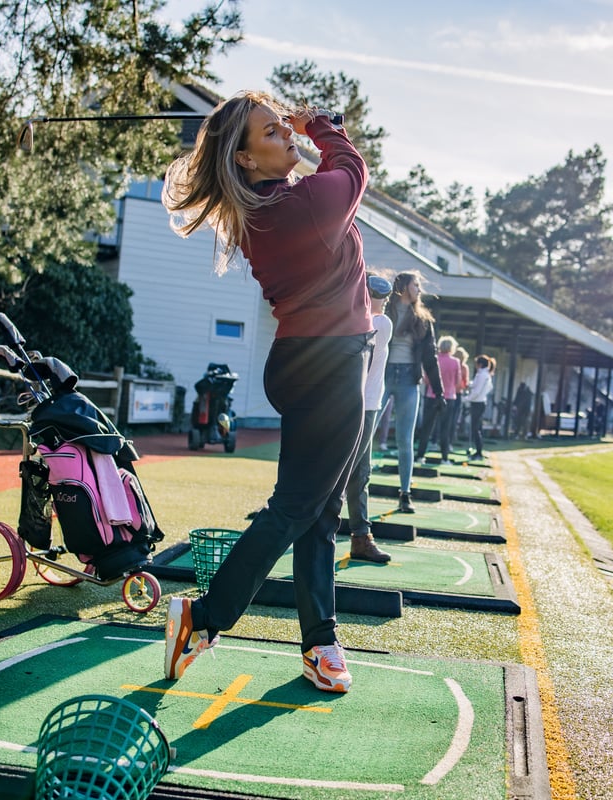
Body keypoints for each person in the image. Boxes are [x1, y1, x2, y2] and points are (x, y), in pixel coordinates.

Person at [161, 91, 372, 693]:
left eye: (283, 130)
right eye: (271, 134)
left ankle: (319, 642)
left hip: (306, 362)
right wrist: (320, 127)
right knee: (300, 508)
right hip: (330, 366)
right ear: (246, 159)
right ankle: (203, 618)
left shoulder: (270, 206)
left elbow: (329, 179)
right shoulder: (300, 206)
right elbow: (351, 171)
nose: (286, 138)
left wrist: (292, 130)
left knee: (317, 509)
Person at [379, 272, 443, 513]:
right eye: (415, 284)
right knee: (365, 433)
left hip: (408, 379)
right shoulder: (385, 309)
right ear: (404, 286)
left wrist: (439, 391)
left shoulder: (423, 319)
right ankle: (345, 489)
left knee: (405, 440)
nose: (419, 288)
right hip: (383, 376)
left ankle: (405, 494)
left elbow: (431, 356)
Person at [342, 273, 395, 564]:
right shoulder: (381, 323)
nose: (385, 300)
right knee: (349, 472)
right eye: (379, 294)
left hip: (365, 404)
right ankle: (315, 530)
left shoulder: (360, 321)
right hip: (361, 406)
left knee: (360, 472)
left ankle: (360, 538)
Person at [415, 336, 461, 463]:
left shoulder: (434, 360)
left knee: (426, 428)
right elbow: (458, 382)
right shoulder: (456, 362)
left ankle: (420, 456)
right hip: (449, 397)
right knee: (445, 429)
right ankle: (445, 458)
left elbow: (427, 380)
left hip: (432, 396)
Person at [464, 354, 495, 459]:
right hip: (480, 402)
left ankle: (478, 452)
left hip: (477, 403)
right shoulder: (484, 374)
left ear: (480, 364)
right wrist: (470, 385)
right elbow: (478, 386)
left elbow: (477, 392)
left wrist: (466, 399)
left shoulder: (482, 375)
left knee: (475, 428)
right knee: (477, 428)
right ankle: (478, 451)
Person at [451, 346, 470, 446]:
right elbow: (465, 383)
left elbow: (465, 382)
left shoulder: (463, 367)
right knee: (453, 418)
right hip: (454, 393)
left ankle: (449, 439)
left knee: (451, 418)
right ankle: (448, 440)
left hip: (453, 393)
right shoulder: (461, 367)